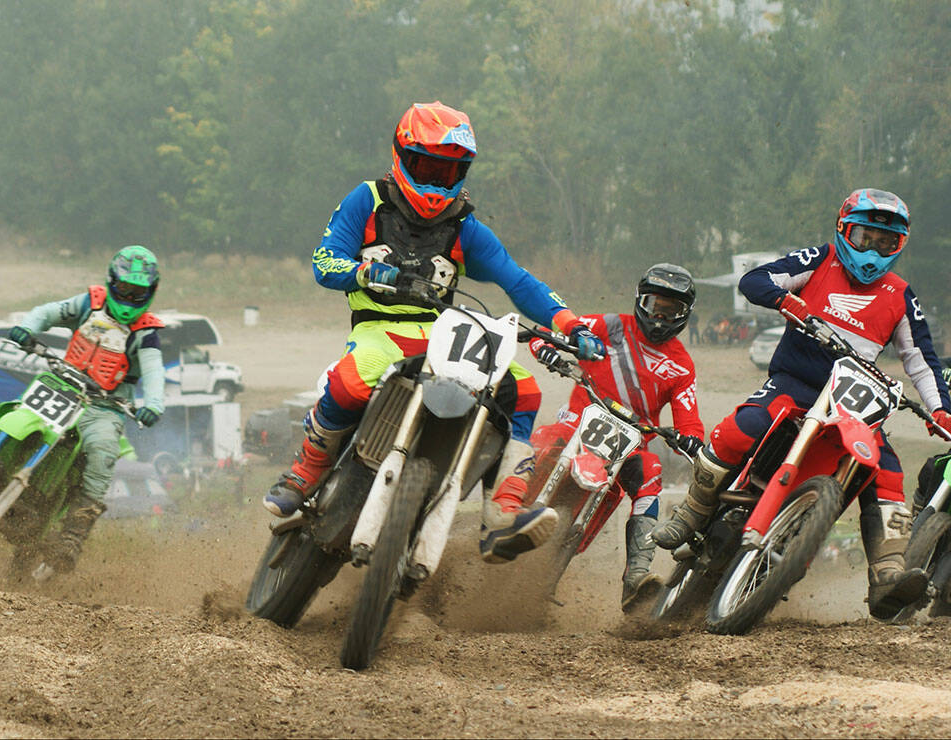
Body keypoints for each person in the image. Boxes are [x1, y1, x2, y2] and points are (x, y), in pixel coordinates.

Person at [262, 101, 606, 564]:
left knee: (522, 389)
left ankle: (504, 509)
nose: (434, 180)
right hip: (380, 328)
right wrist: (362, 273)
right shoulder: (368, 200)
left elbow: (518, 281)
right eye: (425, 166)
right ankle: (307, 469)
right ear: (402, 156)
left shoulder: (465, 227)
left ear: (462, 172)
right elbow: (325, 261)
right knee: (350, 381)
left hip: (442, 331)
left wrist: (570, 323)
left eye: (447, 172)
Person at [651, 188, 951, 619]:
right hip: (796, 384)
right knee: (742, 428)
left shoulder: (901, 295)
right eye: (865, 238)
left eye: (885, 243)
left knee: (886, 469)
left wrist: (939, 409)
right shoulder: (820, 259)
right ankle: (693, 510)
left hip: (854, 401)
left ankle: (887, 574)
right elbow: (756, 280)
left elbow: (922, 361)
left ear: (899, 246)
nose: (873, 250)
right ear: (845, 231)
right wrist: (787, 300)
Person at [527, 264, 706, 611]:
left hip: (630, 444)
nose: (660, 317)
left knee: (652, 471)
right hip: (577, 422)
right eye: (656, 305)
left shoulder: (682, 366)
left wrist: (690, 441)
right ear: (641, 301)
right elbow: (548, 329)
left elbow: (689, 417)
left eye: (672, 311)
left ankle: (636, 577)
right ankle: (507, 506)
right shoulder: (607, 326)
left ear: (685, 316)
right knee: (541, 443)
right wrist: (545, 347)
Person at [7, 245, 166, 574]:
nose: (129, 297)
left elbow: (153, 372)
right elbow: (48, 311)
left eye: (138, 292)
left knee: (103, 451)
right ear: (111, 282)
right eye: (124, 288)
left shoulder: (146, 333)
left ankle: (71, 538)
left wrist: (153, 403)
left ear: (150, 293)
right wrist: (28, 326)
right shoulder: (88, 304)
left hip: (104, 406)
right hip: (61, 386)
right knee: (17, 416)